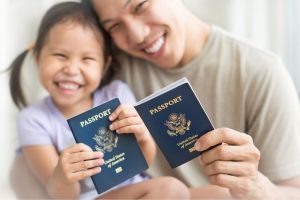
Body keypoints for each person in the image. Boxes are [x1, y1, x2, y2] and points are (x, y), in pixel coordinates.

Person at [87, 0, 300, 198]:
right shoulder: (104, 68)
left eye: (140, 5)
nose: (137, 35)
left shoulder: (261, 72)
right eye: (114, 26)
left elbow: (294, 191)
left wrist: (255, 185)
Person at [8, 2, 190, 199]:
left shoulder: (117, 94)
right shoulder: (33, 119)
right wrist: (62, 176)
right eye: (60, 55)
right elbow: (61, 196)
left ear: (104, 66)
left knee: (218, 193)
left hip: (138, 188)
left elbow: (141, 164)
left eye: (87, 59)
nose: (71, 69)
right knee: (172, 189)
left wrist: (143, 137)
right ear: (37, 57)